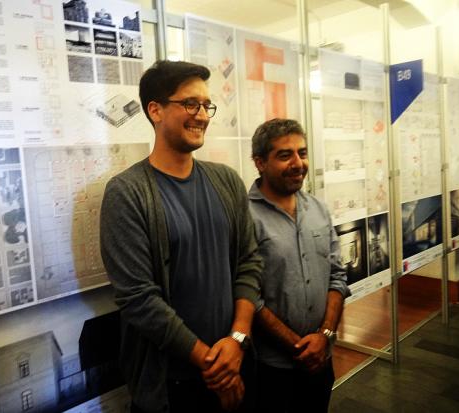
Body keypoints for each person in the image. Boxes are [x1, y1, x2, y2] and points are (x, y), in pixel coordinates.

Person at [100, 60, 262, 413]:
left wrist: (237, 340)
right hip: (173, 384)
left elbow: (249, 263)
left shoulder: (226, 181)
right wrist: (214, 365)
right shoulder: (127, 193)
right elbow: (138, 298)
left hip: (235, 361)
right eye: (190, 104)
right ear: (155, 110)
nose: (202, 115)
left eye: (206, 105)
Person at [248, 118, 350, 412]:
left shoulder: (318, 209)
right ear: (260, 163)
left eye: (302, 153)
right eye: (285, 155)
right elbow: (248, 297)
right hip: (272, 370)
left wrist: (324, 336)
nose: (298, 163)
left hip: (321, 359)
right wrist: (300, 346)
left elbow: (337, 276)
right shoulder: (245, 217)